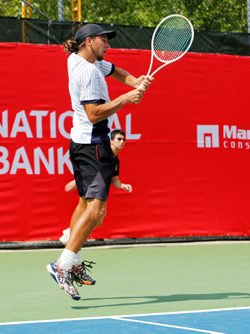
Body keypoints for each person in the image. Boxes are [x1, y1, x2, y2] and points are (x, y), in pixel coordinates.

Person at [46, 23, 152, 300]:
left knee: (85, 206)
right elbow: (94, 114)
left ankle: (73, 251)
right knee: (97, 210)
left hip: (82, 143)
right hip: (92, 145)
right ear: (89, 41)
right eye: (104, 39)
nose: (108, 44)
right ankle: (63, 264)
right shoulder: (88, 72)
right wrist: (127, 99)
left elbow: (116, 70)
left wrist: (135, 81)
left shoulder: (81, 58)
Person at [60, 129, 132, 244]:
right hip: (90, 183)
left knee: (99, 218)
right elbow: (89, 168)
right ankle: (71, 234)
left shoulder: (115, 160)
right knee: (88, 208)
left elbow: (115, 180)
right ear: (111, 141)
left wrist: (123, 185)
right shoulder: (103, 153)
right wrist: (76, 181)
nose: (122, 141)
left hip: (99, 188)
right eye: (119, 139)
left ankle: (72, 232)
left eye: (124, 139)